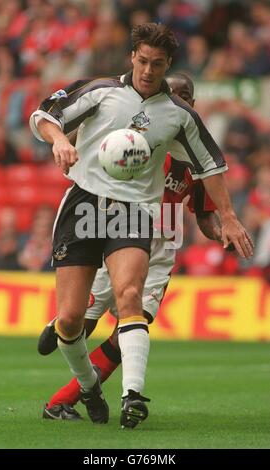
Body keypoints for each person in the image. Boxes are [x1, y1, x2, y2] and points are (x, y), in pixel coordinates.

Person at [29, 23, 253, 429]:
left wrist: (230, 220)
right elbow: (45, 114)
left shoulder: (179, 118)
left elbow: (212, 168)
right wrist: (59, 140)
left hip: (137, 212)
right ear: (132, 57)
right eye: (144, 61)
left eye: (159, 64)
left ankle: (132, 395)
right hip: (85, 203)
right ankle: (87, 385)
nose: (149, 70)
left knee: (131, 298)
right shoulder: (101, 91)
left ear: (168, 66)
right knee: (72, 319)